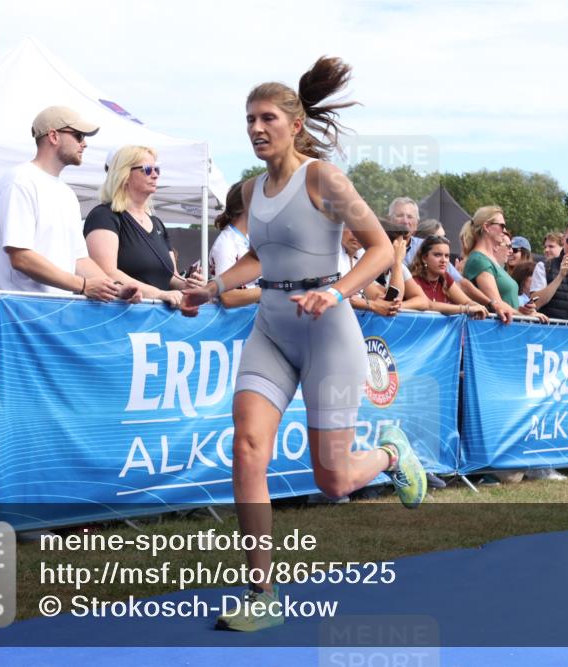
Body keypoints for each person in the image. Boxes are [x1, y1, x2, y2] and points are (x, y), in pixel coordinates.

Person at [180, 57, 427, 632]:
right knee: (247, 447)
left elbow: (379, 249)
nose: (256, 128)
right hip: (271, 326)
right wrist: (212, 288)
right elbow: (258, 256)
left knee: (332, 480)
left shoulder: (323, 179)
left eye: (267, 118)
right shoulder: (251, 189)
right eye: (249, 119)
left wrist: (336, 292)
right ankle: (261, 593)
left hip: (328, 330)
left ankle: (392, 455)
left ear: (294, 125)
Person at [0, 106, 138, 303]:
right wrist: (84, 285)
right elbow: (21, 257)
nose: (84, 144)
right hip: (18, 311)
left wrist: (116, 288)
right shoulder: (20, 181)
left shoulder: (67, 194)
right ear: (53, 136)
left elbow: (79, 259)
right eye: (78, 136)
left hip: (56, 310)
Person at [84, 145, 203, 308]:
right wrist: (158, 294)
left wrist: (188, 284)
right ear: (125, 175)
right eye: (147, 169)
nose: (155, 175)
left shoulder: (157, 223)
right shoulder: (104, 216)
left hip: (157, 316)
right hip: (119, 315)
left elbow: (171, 276)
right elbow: (106, 272)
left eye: (157, 169)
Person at [460, 206, 547, 324]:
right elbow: (497, 304)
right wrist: (526, 316)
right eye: (502, 226)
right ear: (486, 227)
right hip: (492, 329)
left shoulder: (490, 260)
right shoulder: (479, 260)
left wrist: (524, 311)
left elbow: (503, 304)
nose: (504, 230)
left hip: (506, 327)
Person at [409, 235, 488, 318]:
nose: (443, 260)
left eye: (446, 256)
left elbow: (466, 301)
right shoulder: (414, 280)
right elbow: (429, 305)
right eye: (437, 255)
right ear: (424, 258)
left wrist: (477, 306)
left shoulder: (445, 278)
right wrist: (466, 309)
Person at [209, 181, 260, 308]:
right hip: (233, 318)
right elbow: (227, 297)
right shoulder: (226, 243)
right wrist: (271, 291)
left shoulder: (248, 238)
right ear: (245, 205)